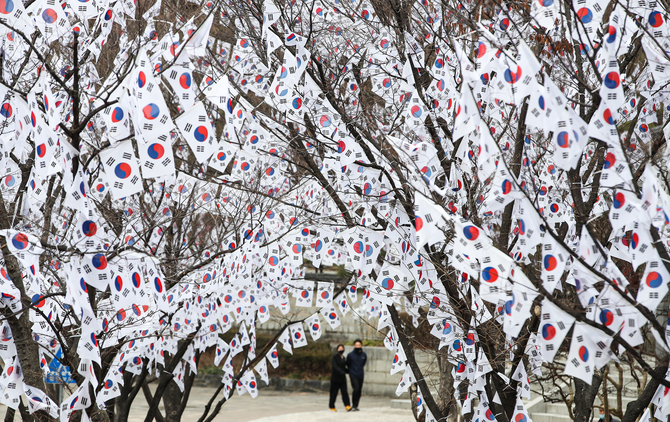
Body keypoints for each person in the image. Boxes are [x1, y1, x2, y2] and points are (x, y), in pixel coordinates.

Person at [329, 344, 351, 412]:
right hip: (335, 379)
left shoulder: (343, 358)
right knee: (334, 393)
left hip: (342, 379)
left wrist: (349, 371)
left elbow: (344, 368)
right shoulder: (334, 357)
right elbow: (335, 367)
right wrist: (341, 371)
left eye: (342, 348)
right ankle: (332, 406)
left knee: (345, 392)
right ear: (337, 349)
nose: (341, 350)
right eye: (339, 348)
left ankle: (347, 405)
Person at [346, 339, 367, 411]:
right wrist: (351, 371)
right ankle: (354, 405)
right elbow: (348, 364)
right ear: (354, 345)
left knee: (359, 390)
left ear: (361, 345)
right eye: (356, 345)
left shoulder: (364, 355)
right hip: (353, 374)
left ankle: (356, 405)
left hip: (360, 374)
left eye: (359, 345)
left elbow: (363, 363)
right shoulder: (350, 355)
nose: (358, 346)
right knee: (356, 388)